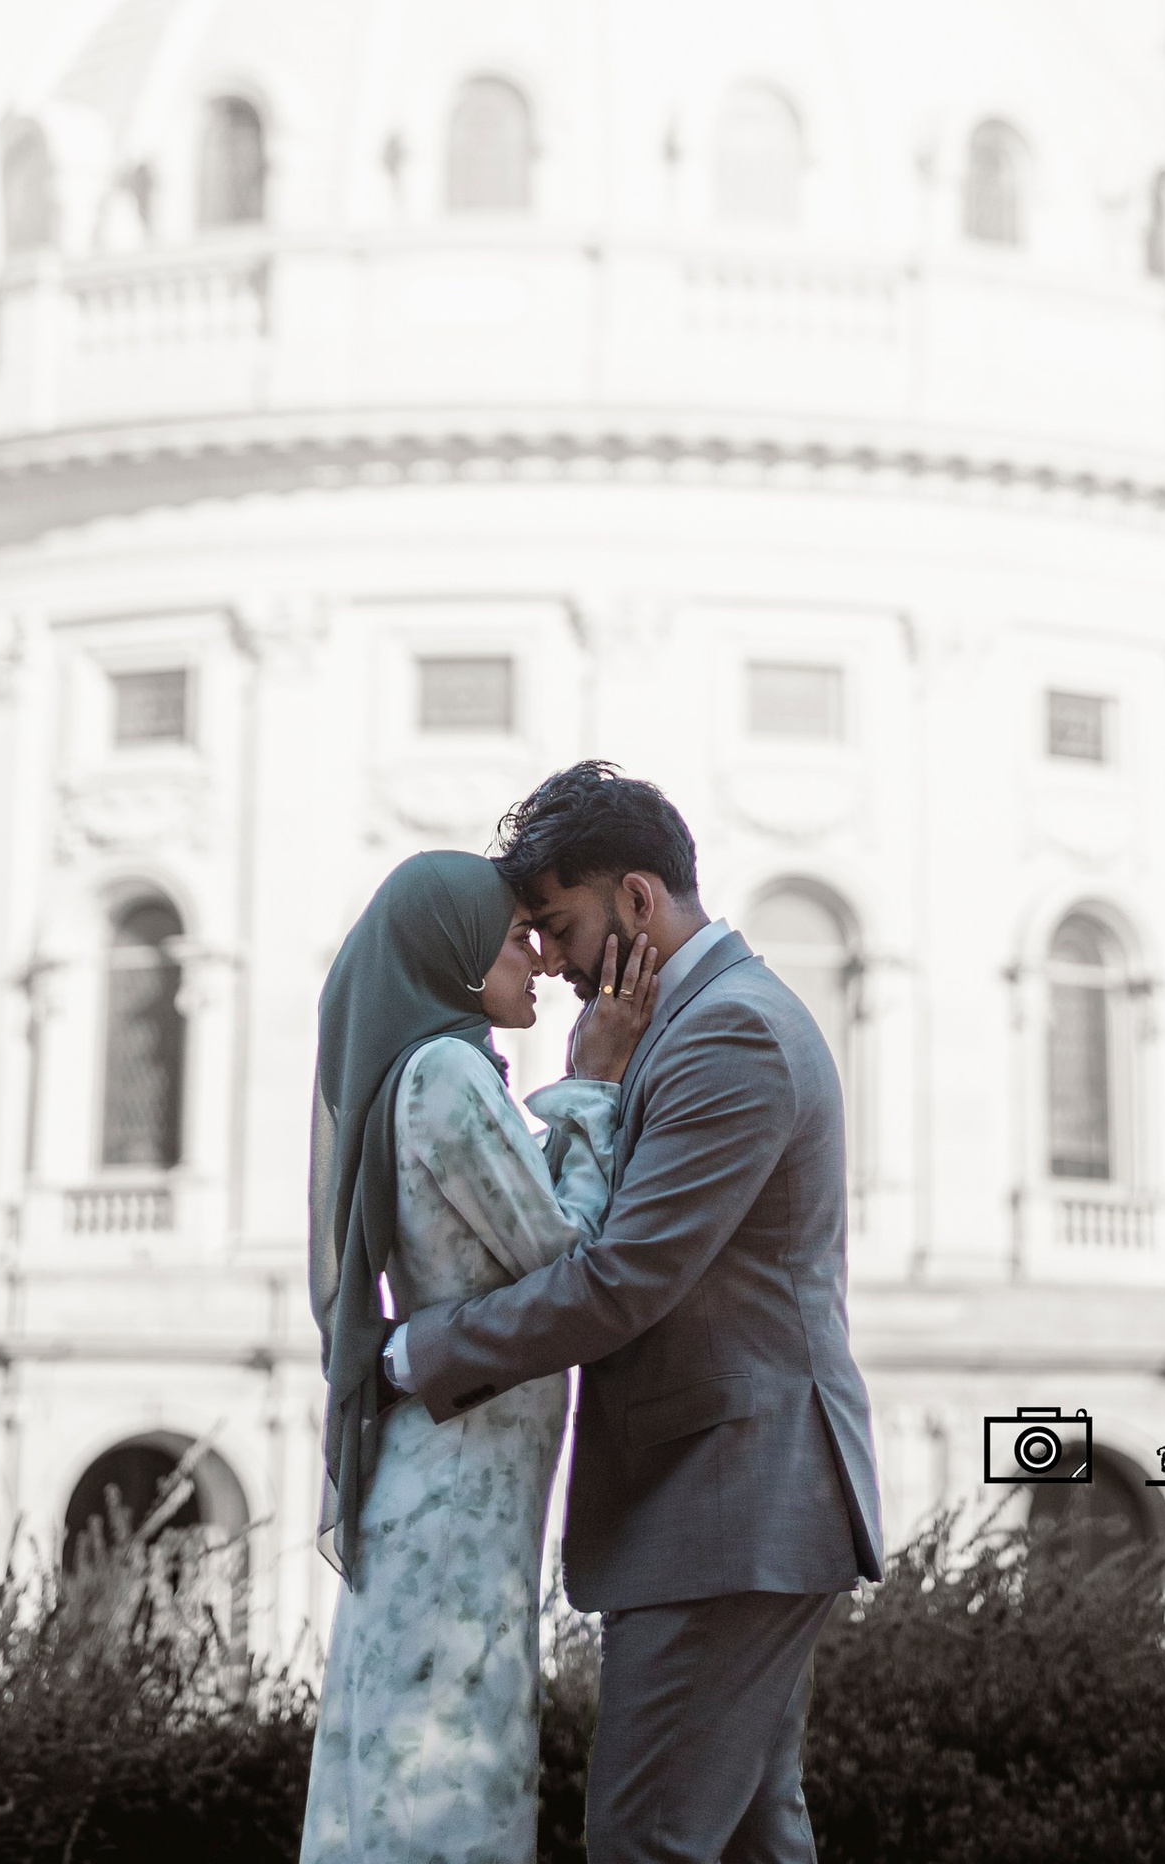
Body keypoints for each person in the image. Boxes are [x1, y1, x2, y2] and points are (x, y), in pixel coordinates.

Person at [386, 766, 882, 1864]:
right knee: (755, 1842)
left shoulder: (729, 1034)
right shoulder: (689, 1022)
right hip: (727, 1500)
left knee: (644, 1844)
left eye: (559, 926)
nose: (549, 960)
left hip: (727, 1505)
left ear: (640, 901)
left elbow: (621, 1283)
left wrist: (420, 1351)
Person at [302, 844, 655, 1864]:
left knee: (406, 1781)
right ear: (453, 955)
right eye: (513, 941)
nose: (540, 963)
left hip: (446, 1475)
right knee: (446, 1789)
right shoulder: (449, 1074)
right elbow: (570, 1259)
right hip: (457, 1486)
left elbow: (504, 1207)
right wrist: (594, 1084)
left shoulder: (427, 1075)